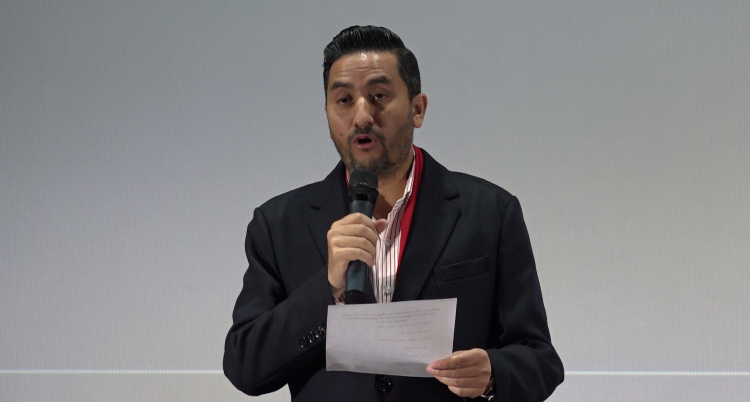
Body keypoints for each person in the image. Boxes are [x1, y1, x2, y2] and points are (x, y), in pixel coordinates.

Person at [224, 25, 564, 402]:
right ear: (327, 114)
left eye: (379, 96)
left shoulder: (490, 212)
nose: (362, 116)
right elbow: (245, 367)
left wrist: (494, 373)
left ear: (417, 109)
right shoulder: (279, 224)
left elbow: (540, 359)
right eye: (344, 100)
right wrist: (328, 287)